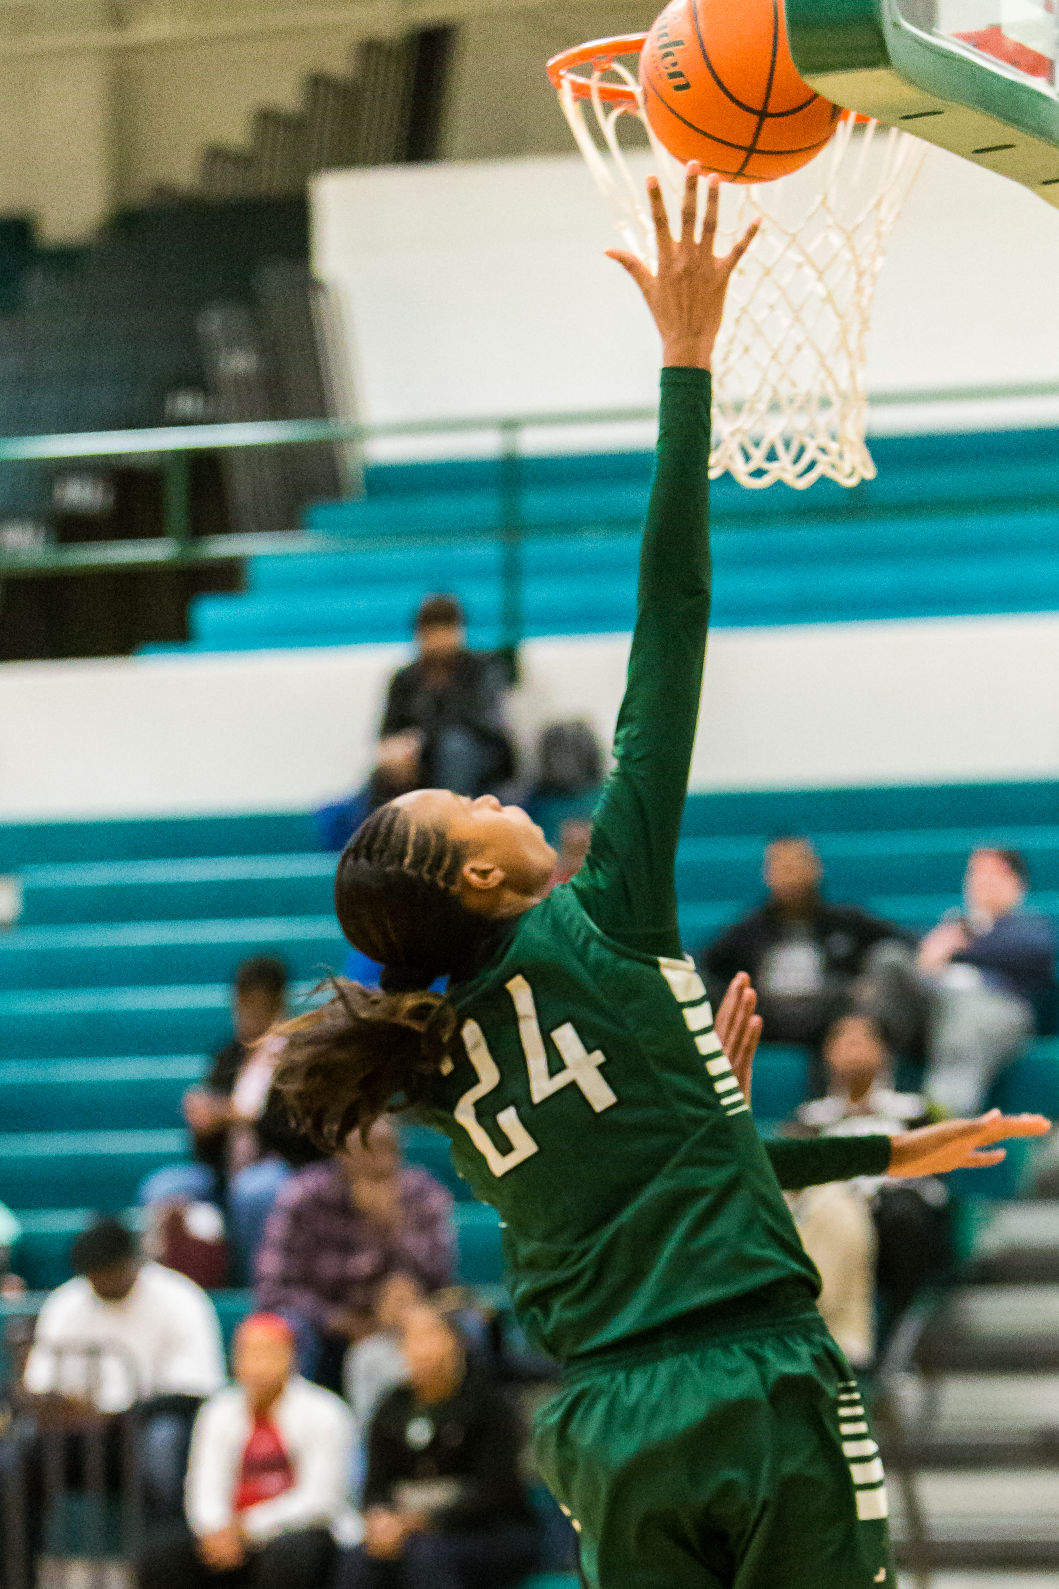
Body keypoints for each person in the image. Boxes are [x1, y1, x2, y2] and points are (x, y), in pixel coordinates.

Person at [273, 165, 1049, 1589]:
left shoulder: (444, 1065)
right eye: (476, 803)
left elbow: (677, 1168)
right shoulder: (598, 914)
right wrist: (686, 366)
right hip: (754, 1382)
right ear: (486, 882)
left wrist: (859, 1145)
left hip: (609, 1425)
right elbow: (667, 628)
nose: (504, 793)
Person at [6, 1218, 225, 1568]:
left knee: (163, 1443)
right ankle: (19, 1575)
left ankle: (163, 1570)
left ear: (133, 1261)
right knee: (17, 1456)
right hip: (82, 1435)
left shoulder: (180, 1298)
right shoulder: (67, 1303)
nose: (102, 1281)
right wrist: (59, 1406)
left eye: (110, 1271)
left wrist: (117, 1415)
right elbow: (40, 1387)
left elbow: (196, 1390)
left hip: (150, 1429)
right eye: (94, 1274)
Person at [137, 1313, 353, 1589]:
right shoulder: (218, 1410)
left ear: (292, 1358)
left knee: (288, 1554)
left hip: (300, 1531)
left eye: (267, 1354)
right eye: (248, 1354)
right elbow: (204, 1485)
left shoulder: (325, 1411)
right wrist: (216, 1530)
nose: (257, 1365)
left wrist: (249, 1528)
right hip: (232, 1534)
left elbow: (319, 1499)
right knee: (161, 1559)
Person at [139, 956, 323, 1280]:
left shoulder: (304, 1056)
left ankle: (262, 1282)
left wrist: (241, 1116)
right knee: (163, 1187)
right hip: (225, 1173)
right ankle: (188, 1283)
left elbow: (308, 1137)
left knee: (255, 1190)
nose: (246, 1014)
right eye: (240, 1005)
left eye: (256, 1005)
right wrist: (203, 1126)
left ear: (278, 1003)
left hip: (288, 1171)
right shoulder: (227, 1056)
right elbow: (205, 1151)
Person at [786, 1012, 952, 1365]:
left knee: (906, 1217)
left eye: (863, 1040)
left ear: (884, 1052)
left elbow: (937, 1179)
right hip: (832, 1219)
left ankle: (891, 1343)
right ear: (828, 1054)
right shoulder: (809, 1120)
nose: (853, 1048)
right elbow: (793, 1188)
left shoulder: (916, 1112)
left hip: (897, 1222)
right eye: (843, 1040)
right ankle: (827, 1342)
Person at [336, 1300, 539, 1589]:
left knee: (426, 1554)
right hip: (409, 1533)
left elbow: (496, 1491)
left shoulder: (490, 1404)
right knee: (360, 1557)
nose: (422, 1349)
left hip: (487, 1532)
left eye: (431, 1336)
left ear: (457, 1344)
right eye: (413, 1339)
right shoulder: (391, 1407)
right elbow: (375, 1487)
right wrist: (381, 1519)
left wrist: (419, 1521)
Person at [254, 1118, 453, 1395]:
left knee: (462, 1329)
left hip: (405, 1322)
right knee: (290, 1327)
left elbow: (440, 1275)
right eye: (366, 1150)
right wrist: (336, 1319)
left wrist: (392, 1229)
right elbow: (272, 1288)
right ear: (339, 1154)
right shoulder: (304, 1196)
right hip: (328, 1326)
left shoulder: (423, 1193)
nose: (378, 1162)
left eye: (387, 1149)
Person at [698, 835, 910, 1079]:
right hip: (765, 1012)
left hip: (828, 1012)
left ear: (815, 868)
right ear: (767, 874)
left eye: (796, 864)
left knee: (857, 1009)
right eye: (780, 867)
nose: (789, 874)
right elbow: (707, 968)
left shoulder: (846, 922)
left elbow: (902, 943)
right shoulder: (747, 931)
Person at [914, 847, 1055, 1115]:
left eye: (993, 873)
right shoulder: (952, 926)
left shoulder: (1030, 927)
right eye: (976, 873)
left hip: (997, 1008)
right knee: (888, 963)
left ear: (1017, 884)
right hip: (939, 1004)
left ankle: (943, 1120)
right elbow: (923, 968)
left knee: (968, 1023)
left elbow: (1035, 950)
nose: (983, 881)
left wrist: (956, 946)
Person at [378, 594, 515, 800]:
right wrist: (396, 750)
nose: (438, 639)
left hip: (481, 755)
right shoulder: (405, 679)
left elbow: (479, 722)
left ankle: (450, 827)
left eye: (445, 630)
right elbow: (389, 730)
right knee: (386, 771)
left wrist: (420, 741)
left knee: (455, 748)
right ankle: (386, 830)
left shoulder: (481, 669)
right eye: (431, 632)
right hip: (423, 760)